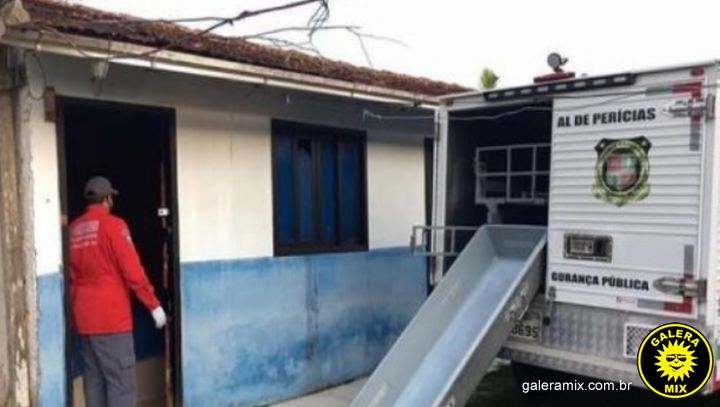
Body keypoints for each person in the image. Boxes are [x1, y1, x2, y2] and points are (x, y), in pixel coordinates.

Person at [69, 176, 167, 407]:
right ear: (108, 199)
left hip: (84, 322)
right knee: (121, 385)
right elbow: (133, 272)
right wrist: (153, 305)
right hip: (111, 321)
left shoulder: (73, 230)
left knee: (94, 383)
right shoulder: (114, 226)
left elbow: (71, 276)